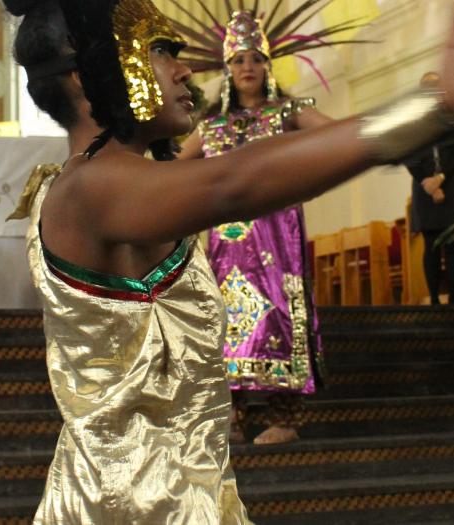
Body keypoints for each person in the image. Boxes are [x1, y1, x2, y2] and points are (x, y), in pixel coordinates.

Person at [10, 0, 454, 521]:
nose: (186, 68)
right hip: (128, 504)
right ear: (84, 76)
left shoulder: (109, 183)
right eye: (161, 51)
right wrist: (431, 105)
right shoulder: (89, 187)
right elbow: (232, 182)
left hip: (181, 489)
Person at [177, 10, 337, 446]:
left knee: (278, 318)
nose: (247, 66)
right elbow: (170, 171)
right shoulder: (209, 127)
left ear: (267, 65)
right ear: (227, 69)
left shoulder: (289, 112)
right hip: (226, 250)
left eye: (254, 58)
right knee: (225, 321)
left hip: (277, 244)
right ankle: (229, 415)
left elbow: (340, 137)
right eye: (238, 59)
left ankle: (284, 418)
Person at [403, 71, 454, 305]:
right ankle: (433, 299)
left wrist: (441, 178)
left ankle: (453, 298)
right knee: (430, 244)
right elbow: (408, 154)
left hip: (452, 183)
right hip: (423, 185)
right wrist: (428, 183)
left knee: (452, 242)